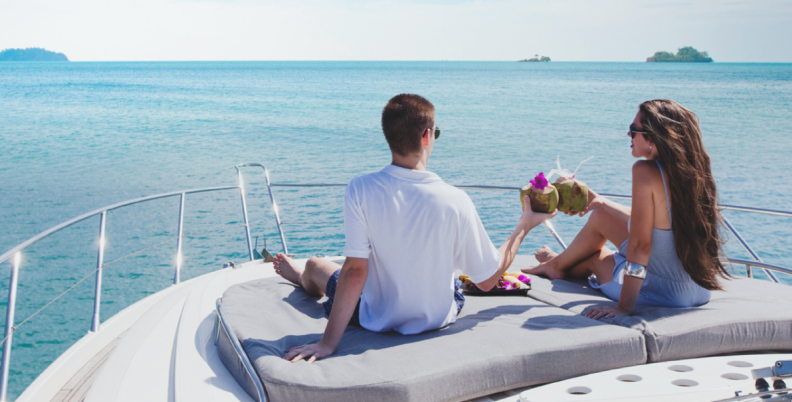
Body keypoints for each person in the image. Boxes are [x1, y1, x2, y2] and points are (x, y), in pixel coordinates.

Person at [273, 94, 554, 363]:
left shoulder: (360, 189)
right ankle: (302, 276)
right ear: (427, 136)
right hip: (439, 316)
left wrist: (327, 343)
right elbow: (487, 280)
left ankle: (302, 277)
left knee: (315, 264)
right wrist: (524, 226)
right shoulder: (456, 199)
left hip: (375, 318)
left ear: (389, 137)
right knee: (452, 275)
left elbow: (356, 271)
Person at [523, 99, 730, 319]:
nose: (628, 136)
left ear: (651, 137)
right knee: (600, 215)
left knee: (597, 256)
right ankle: (556, 263)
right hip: (698, 290)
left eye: (633, 130)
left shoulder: (644, 171)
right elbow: (659, 224)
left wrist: (623, 308)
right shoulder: (694, 172)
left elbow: (641, 245)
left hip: (664, 293)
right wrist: (601, 201)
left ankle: (556, 265)